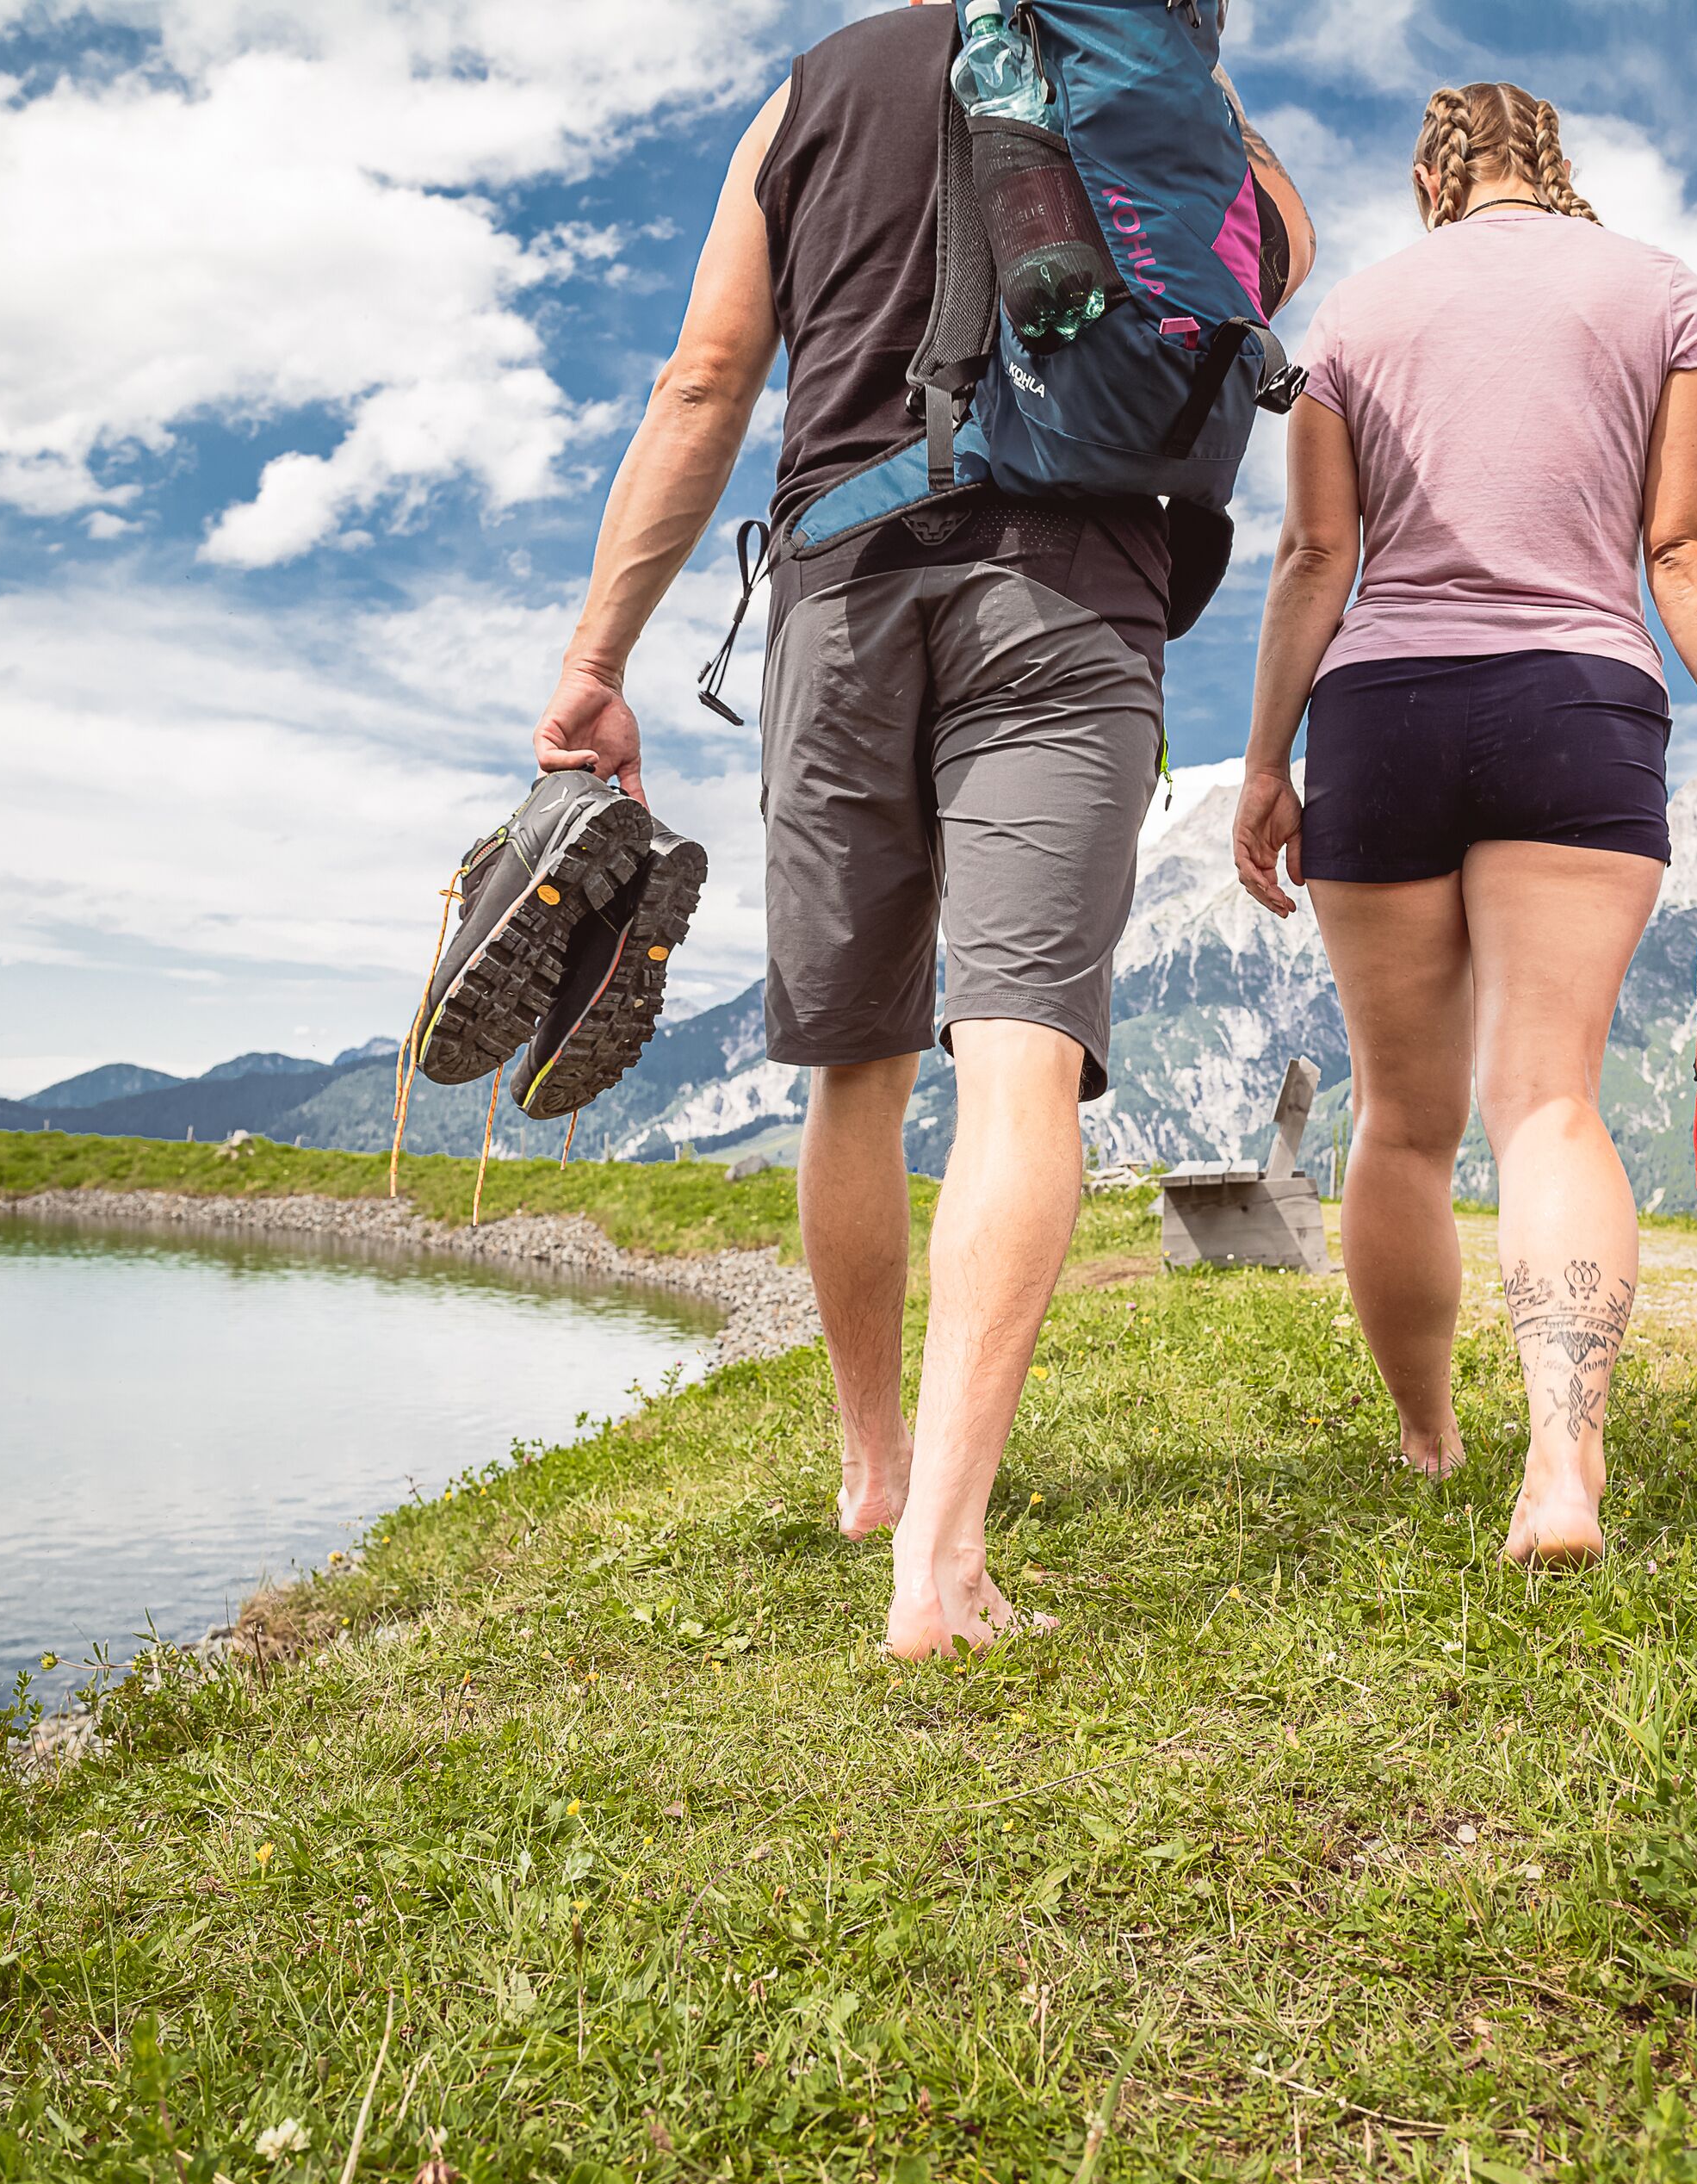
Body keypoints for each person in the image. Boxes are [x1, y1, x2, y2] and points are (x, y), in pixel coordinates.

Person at [526, 1, 1312, 1654]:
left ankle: (875, 1464)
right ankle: (941, 1567)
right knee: (1020, 1053)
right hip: (1073, 593)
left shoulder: (804, 98)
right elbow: (1267, 271)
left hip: (840, 591)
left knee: (858, 1066)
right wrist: (1179, 92)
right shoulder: (1168, 88)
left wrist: (600, 662)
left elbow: (704, 379)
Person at [1232, 80, 1697, 1567]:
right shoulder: (1658, 293)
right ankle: (1561, 1473)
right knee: (1549, 1100)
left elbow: (1319, 553)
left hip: (1383, 711)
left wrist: (1263, 764)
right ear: (1553, 165)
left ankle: (1431, 1441)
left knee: (1404, 1119)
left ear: (1434, 177)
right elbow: (1683, 543)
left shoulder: (1358, 319)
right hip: (1579, 701)